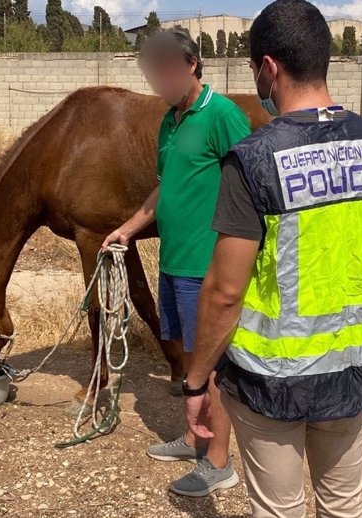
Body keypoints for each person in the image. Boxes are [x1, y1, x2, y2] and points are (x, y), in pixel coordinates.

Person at [182, 1, 362, 516]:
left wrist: (196, 381)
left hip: (271, 382)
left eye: (252, 70)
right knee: (343, 505)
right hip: (353, 372)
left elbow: (224, 293)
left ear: (268, 68)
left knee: (278, 509)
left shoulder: (253, 160)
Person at [101, 29, 251, 497]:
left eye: (167, 68)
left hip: (208, 264)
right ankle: (193, 438)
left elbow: (251, 180)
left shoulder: (222, 114)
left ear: (192, 65)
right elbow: (166, 187)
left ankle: (220, 462)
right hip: (174, 261)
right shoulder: (170, 121)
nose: (160, 79)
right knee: (191, 357)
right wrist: (128, 228)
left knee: (216, 364)